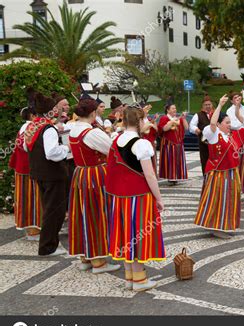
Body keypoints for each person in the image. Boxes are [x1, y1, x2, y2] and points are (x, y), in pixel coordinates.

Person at [106, 105, 165, 291]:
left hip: (119, 198)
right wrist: (159, 198)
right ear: (140, 122)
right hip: (139, 197)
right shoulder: (141, 144)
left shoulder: (115, 140)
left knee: (125, 235)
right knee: (138, 235)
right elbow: (149, 175)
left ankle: (130, 277)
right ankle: (139, 279)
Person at [67, 99, 119, 273]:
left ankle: (85, 257)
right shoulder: (90, 133)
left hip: (80, 173)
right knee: (97, 214)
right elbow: (112, 149)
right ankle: (99, 261)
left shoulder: (73, 130)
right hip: (95, 175)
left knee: (82, 214)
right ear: (92, 113)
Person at [194, 95, 244, 237]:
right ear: (219, 124)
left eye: (230, 122)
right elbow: (212, 123)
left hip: (231, 173)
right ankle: (215, 227)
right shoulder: (214, 134)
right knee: (218, 199)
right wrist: (220, 106)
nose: (229, 125)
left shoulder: (231, 137)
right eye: (227, 122)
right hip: (218, 174)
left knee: (228, 200)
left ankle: (222, 225)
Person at [24, 92, 70, 256]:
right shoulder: (48, 128)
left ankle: (48, 244)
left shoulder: (32, 125)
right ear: (51, 110)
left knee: (49, 208)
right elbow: (51, 153)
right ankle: (48, 247)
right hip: (52, 174)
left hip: (39, 172)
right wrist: (66, 148)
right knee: (54, 212)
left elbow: (25, 147)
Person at [8, 107, 42, 240]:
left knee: (28, 197)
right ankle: (33, 229)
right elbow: (24, 145)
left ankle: (33, 228)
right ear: (33, 116)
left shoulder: (26, 127)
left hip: (24, 167)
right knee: (31, 198)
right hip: (27, 168)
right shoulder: (30, 127)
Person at [157, 103, 189, 184]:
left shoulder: (178, 119)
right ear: (168, 110)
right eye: (172, 108)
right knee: (169, 160)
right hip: (168, 143)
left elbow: (186, 127)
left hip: (178, 143)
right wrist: (172, 121)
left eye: (175, 108)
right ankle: (171, 177)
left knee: (177, 160)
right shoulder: (164, 118)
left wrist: (184, 118)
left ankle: (176, 176)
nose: (175, 110)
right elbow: (164, 129)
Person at [189, 96, 214, 174]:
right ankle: (206, 176)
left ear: (212, 105)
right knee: (205, 159)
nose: (207, 106)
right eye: (205, 105)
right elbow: (191, 125)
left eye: (209, 104)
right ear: (202, 106)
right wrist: (196, 129)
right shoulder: (198, 115)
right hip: (203, 142)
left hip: (215, 140)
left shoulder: (216, 114)